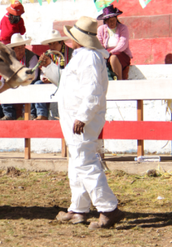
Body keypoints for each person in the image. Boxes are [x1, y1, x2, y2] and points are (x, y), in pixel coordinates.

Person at [40, 16, 124, 229]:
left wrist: (83, 116)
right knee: (78, 161)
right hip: (75, 117)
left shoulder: (88, 58)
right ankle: (78, 209)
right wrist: (50, 68)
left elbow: (93, 90)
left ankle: (108, 209)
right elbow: (69, 84)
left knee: (84, 162)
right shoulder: (84, 56)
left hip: (80, 118)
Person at [0, 33, 38, 120]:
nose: (21, 51)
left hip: (27, 82)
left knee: (34, 85)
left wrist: (19, 79)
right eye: (18, 48)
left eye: (22, 48)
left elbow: (34, 75)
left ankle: (31, 114)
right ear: (13, 50)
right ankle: (7, 114)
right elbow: (3, 75)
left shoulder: (31, 56)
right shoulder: (8, 59)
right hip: (13, 83)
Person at [30, 29, 70, 120]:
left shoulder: (71, 53)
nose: (52, 46)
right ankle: (42, 114)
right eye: (50, 44)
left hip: (67, 82)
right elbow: (41, 73)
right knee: (37, 84)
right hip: (51, 82)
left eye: (54, 43)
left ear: (61, 43)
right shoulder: (48, 54)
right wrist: (45, 78)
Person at [96, 5, 132, 80]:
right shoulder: (101, 29)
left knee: (113, 58)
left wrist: (111, 52)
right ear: (105, 21)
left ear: (116, 19)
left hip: (121, 53)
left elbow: (123, 44)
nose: (111, 23)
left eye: (113, 20)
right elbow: (99, 44)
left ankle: (120, 79)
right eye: (108, 21)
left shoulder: (123, 28)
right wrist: (104, 53)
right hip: (106, 54)